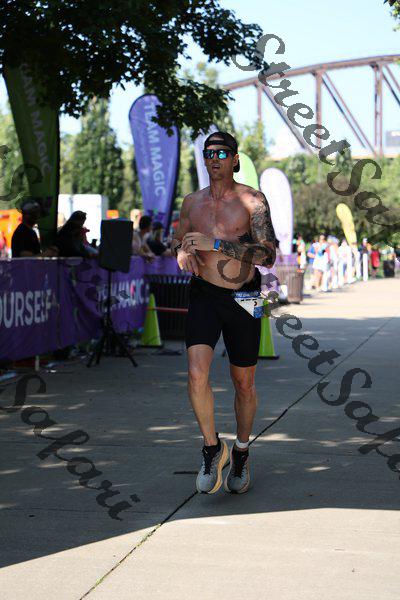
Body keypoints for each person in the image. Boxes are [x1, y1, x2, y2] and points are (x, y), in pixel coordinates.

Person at [171, 131, 276, 495]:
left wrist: (215, 243)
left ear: (235, 159)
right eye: (208, 153)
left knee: (244, 382)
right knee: (196, 373)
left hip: (247, 295)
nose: (213, 158)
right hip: (203, 294)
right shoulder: (191, 202)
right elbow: (179, 239)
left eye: (221, 153)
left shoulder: (252, 200)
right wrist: (180, 250)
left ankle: (242, 452)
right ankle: (212, 448)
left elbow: (268, 255)